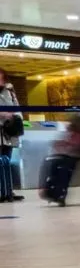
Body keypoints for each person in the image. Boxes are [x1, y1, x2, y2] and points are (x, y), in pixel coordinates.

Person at [0, 69, 24, 202]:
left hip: (8, 132)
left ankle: (7, 189)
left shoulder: (10, 93)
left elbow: (17, 109)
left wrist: (14, 117)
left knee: (6, 160)